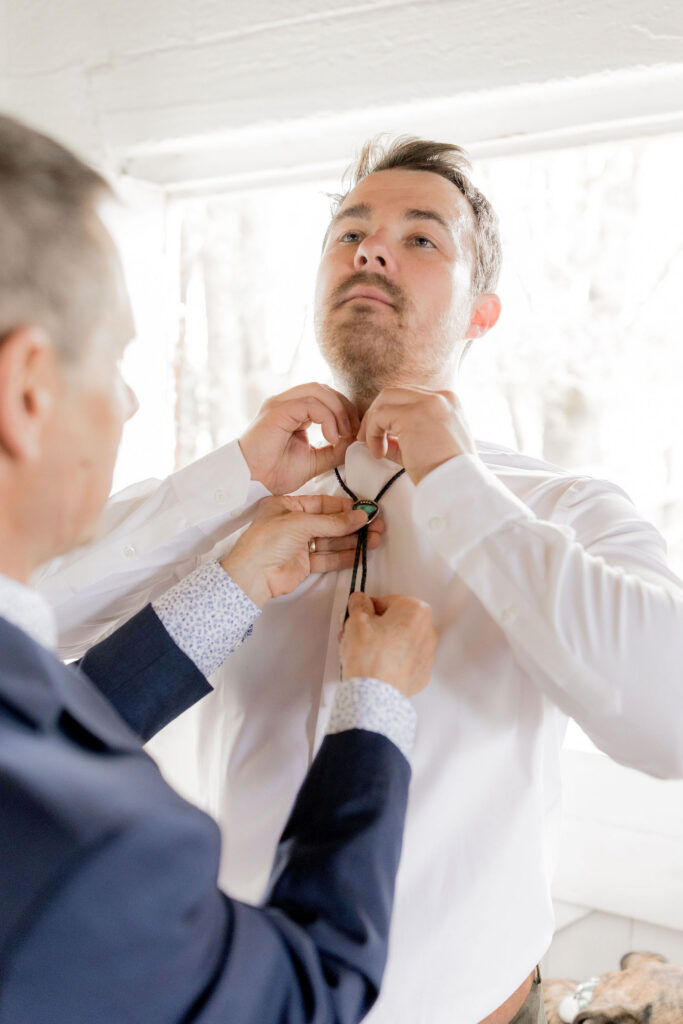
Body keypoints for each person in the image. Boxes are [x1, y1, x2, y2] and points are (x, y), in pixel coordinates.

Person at [37, 137, 683, 1024]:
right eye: (350, 233)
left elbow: (669, 720)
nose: (370, 250)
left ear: (481, 314)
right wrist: (233, 479)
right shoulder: (233, 501)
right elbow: (27, 618)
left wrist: (456, 479)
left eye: (421, 239)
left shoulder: (569, 511)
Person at [0, 114, 440, 1023]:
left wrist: (228, 586)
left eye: (418, 237)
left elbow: (37, 725)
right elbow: (308, 994)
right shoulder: (108, 850)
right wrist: (376, 707)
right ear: (29, 391)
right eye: (117, 360)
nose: (126, 401)